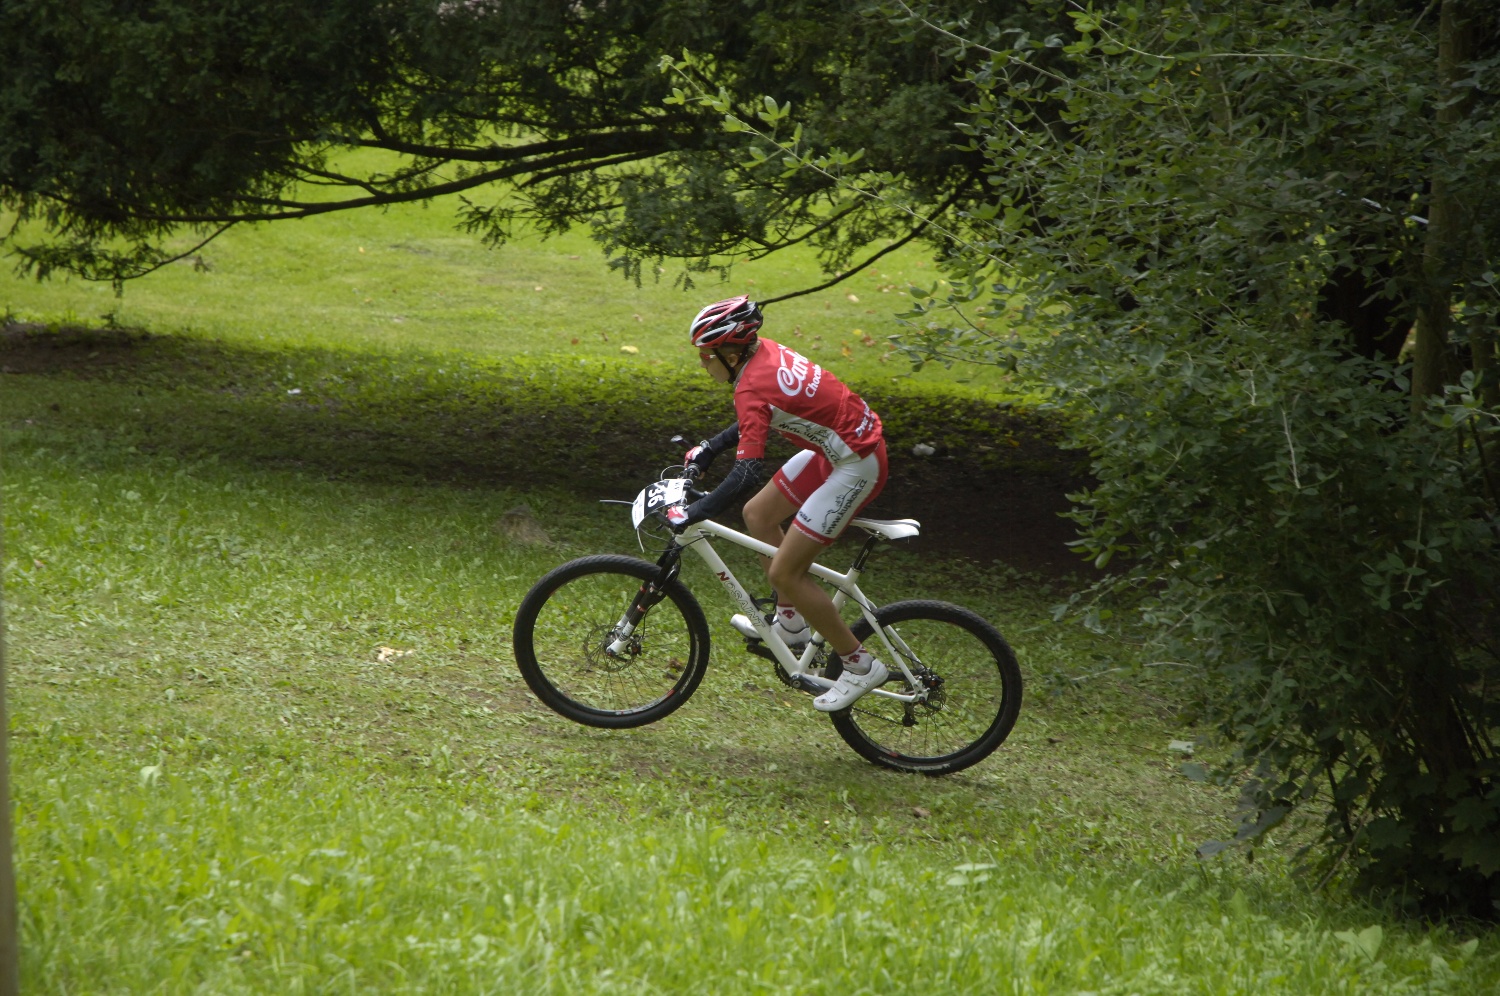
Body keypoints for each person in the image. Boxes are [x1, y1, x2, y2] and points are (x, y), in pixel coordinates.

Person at [664, 295, 890, 711]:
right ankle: (790, 624)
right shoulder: (763, 354)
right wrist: (710, 448)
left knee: (786, 573)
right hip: (837, 452)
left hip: (857, 463)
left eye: (706, 355)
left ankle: (859, 665)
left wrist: (693, 513)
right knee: (759, 514)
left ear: (732, 354)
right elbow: (760, 415)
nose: (702, 363)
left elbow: (747, 472)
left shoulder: (750, 384)